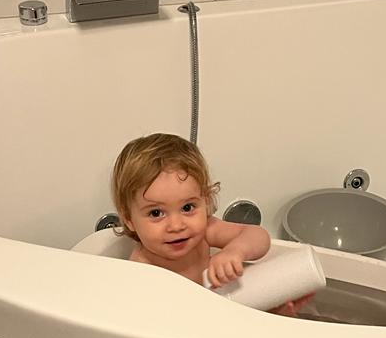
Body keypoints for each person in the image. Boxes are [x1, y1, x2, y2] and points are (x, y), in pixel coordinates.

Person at [111, 133, 312, 316]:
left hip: (219, 309)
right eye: (156, 213)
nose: (176, 225)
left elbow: (259, 237)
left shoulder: (206, 231)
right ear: (129, 219)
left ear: (205, 201)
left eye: (188, 207)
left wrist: (234, 251)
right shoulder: (141, 268)